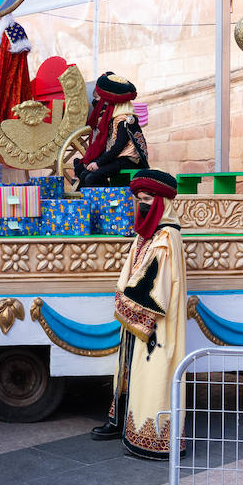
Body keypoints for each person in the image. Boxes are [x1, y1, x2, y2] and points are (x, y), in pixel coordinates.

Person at [90, 169, 188, 459]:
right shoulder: (148, 233)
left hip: (154, 323)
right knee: (130, 371)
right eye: (138, 199)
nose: (141, 204)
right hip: (136, 319)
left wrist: (127, 304)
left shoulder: (167, 236)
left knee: (152, 373)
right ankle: (121, 422)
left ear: (161, 201)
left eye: (147, 199)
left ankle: (150, 438)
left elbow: (155, 283)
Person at [71, 73, 149, 189]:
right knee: (85, 175)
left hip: (129, 160)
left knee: (92, 178)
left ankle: (109, 201)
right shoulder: (116, 118)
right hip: (118, 159)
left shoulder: (126, 119)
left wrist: (98, 163)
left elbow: (118, 147)